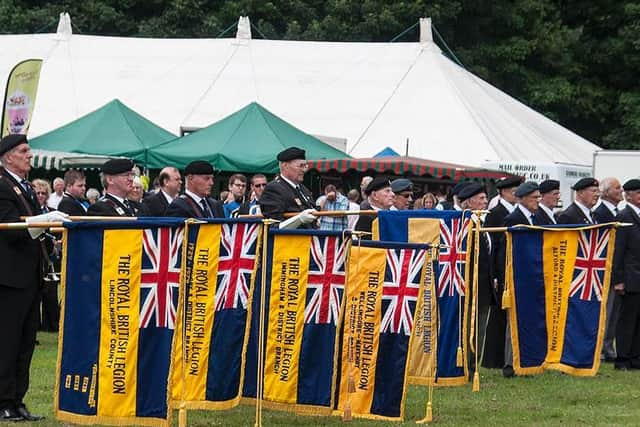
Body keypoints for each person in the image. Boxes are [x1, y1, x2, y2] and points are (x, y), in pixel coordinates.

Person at [0, 134, 66, 421]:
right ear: (7, 156)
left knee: (27, 342)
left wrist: (48, 220)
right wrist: (41, 222)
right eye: (24, 151)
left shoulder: (23, 186)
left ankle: (17, 399)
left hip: (30, 276)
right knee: (7, 342)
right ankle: (3, 400)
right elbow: (9, 226)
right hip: (9, 277)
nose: (29, 155)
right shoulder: (2, 184)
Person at [500, 181, 540, 377]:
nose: (538, 201)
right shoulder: (513, 219)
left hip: (531, 276)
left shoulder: (534, 218)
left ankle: (527, 360)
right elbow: (503, 252)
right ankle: (510, 363)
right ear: (522, 199)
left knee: (529, 320)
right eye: (534, 198)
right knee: (513, 321)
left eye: (539, 197)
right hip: (516, 277)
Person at [482, 175, 521, 370]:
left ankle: (501, 355)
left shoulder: (514, 212)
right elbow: (493, 246)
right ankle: (492, 358)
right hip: (500, 270)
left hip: (511, 268)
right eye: (512, 191)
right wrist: (495, 275)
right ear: (503, 192)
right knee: (498, 315)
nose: (515, 194)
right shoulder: (496, 213)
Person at [458, 183, 494, 372]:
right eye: (481, 198)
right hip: (469, 287)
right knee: (467, 329)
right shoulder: (465, 224)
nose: (485, 201)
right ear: (469, 202)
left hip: (484, 288)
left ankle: (473, 367)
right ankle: (464, 367)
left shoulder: (483, 222)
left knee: (479, 330)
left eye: (485, 198)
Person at [593, 177, 624, 362]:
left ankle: (608, 347)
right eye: (617, 188)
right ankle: (603, 349)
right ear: (606, 192)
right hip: (606, 272)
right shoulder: (603, 213)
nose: (620, 191)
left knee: (614, 315)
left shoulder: (615, 212)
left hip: (614, 272)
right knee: (606, 313)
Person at [612, 179, 640, 370]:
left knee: (638, 321)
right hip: (629, 277)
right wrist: (618, 279)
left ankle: (636, 357)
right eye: (638, 193)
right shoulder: (624, 216)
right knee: (627, 320)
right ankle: (622, 358)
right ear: (627, 195)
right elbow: (618, 251)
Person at [260, 147, 317, 229]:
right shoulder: (274, 189)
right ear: (285, 166)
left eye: (305, 166)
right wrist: (299, 219)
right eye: (301, 166)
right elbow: (272, 227)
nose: (304, 170)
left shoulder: (303, 189)